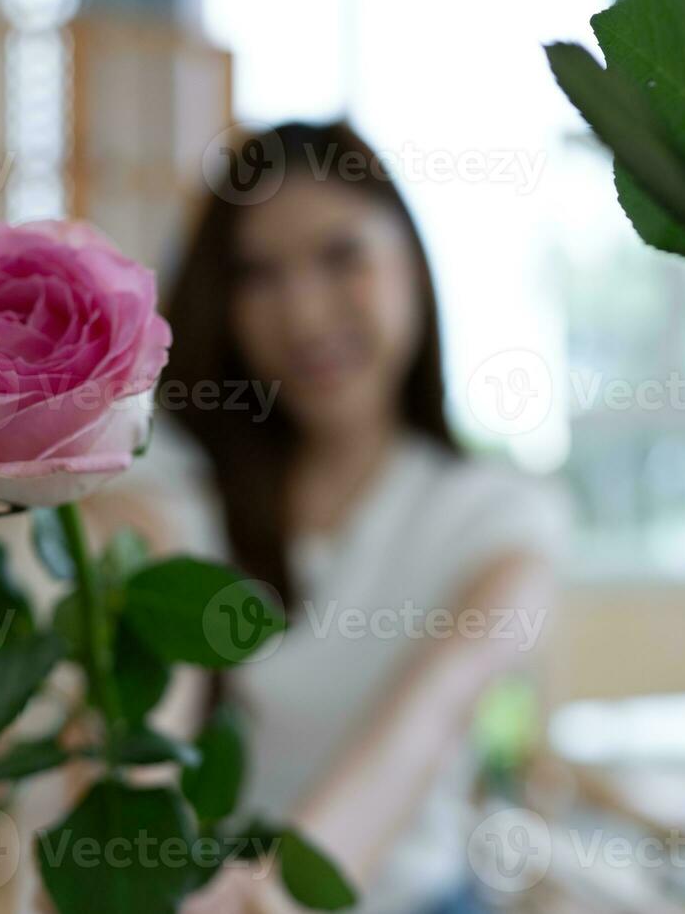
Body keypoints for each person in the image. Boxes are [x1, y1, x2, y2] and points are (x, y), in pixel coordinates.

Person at [89, 121, 566, 913]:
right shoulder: (180, 492)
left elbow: (430, 717)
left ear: (410, 263)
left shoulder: (499, 521)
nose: (304, 315)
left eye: (342, 256)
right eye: (259, 276)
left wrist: (272, 894)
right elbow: (152, 706)